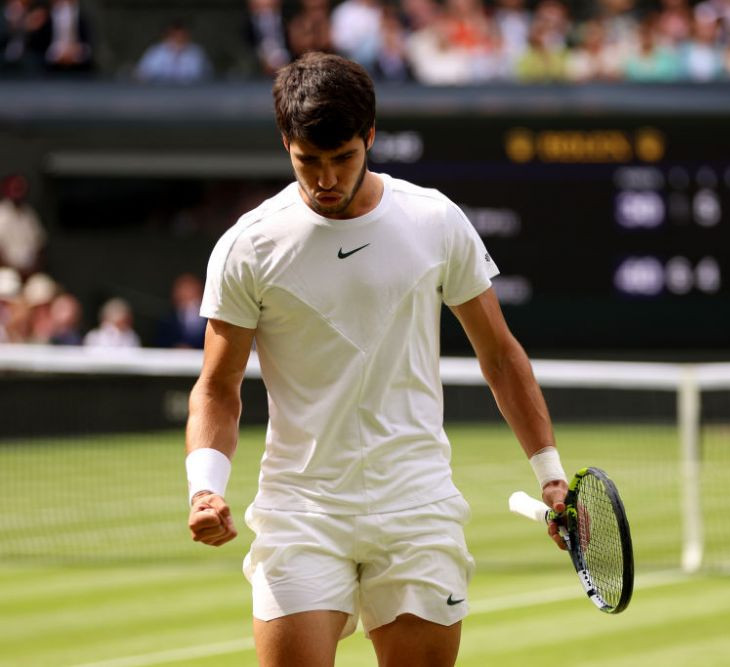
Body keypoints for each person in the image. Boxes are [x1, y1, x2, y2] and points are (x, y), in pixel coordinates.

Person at [184, 53, 567, 667]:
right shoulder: (247, 245)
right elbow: (217, 387)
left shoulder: (435, 219)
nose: (326, 180)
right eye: (309, 161)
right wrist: (204, 488)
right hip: (301, 509)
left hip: (417, 507)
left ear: (370, 138)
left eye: (343, 159)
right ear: (287, 144)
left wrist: (550, 476)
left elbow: (500, 356)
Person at [134, 20, 212, 84]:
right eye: (175, 36)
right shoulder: (156, 52)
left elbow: (207, 76)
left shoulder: (197, 52)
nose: (179, 39)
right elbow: (141, 74)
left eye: (182, 36)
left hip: (191, 94)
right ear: (168, 36)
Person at [0, 173, 46, 276]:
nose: (18, 192)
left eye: (20, 188)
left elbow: (40, 246)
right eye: (15, 188)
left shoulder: (30, 214)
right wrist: (15, 270)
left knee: (44, 286)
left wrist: (33, 269)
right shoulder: (1, 213)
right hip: (5, 272)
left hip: (31, 272)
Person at [155, 272, 206, 349]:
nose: (185, 294)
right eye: (181, 289)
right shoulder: (166, 321)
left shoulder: (211, 320)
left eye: (189, 289)